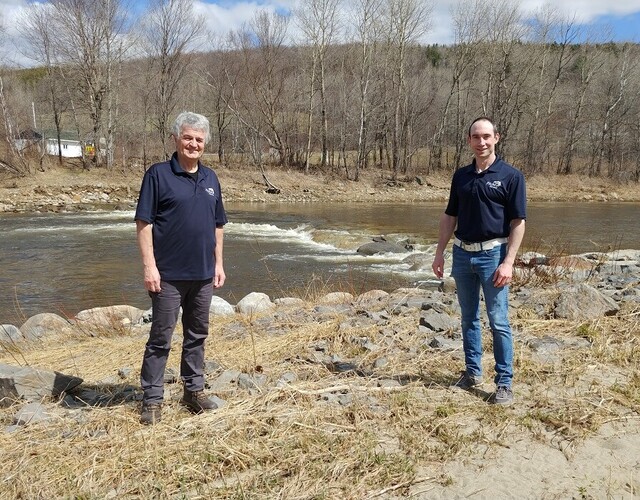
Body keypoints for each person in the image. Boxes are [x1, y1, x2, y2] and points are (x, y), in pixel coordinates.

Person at [134, 111, 227, 424]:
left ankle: (193, 392)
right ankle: (152, 400)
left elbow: (218, 225)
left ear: (205, 144)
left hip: (202, 275)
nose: (193, 144)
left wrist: (219, 263)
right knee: (161, 338)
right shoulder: (158, 175)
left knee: (197, 335)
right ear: (176, 139)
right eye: (188, 137)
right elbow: (144, 223)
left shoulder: (211, 178)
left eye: (199, 140)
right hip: (169, 276)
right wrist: (150, 267)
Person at [431, 117, 526, 405]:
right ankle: (473, 372)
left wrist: (508, 261)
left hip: (493, 256)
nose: (481, 142)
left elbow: (518, 222)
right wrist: (439, 253)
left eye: (486, 136)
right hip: (462, 254)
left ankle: (504, 383)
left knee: (498, 321)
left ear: (496, 137)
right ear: (469, 140)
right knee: (468, 318)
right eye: (476, 137)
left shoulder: (511, 176)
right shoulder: (461, 176)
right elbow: (450, 216)